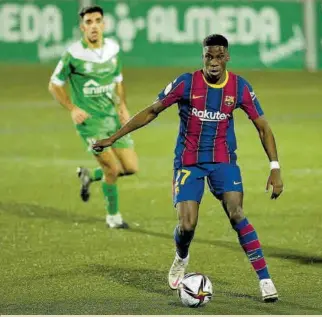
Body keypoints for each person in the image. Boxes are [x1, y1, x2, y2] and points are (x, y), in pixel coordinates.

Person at [92, 34, 283, 301]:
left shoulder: (239, 87)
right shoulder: (186, 83)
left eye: (219, 57)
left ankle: (265, 280)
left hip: (223, 161)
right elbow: (151, 111)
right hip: (188, 162)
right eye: (208, 56)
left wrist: (275, 167)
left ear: (227, 57)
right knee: (187, 225)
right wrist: (114, 138)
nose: (213, 62)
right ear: (202, 56)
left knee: (237, 213)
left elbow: (262, 126)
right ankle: (182, 256)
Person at [48, 5, 138, 229]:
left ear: (104, 24)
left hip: (113, 119)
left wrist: (122, 106)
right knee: (112, 169)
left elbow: (118, 80)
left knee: (130, 167)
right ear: (82, 27)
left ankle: (89, 175)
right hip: (90, 123)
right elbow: (54, 85)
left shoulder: (113, 50)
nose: (94, 25)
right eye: (89, 22)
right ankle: (113, 217)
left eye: (97, 20)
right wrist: (72, 108)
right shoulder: (73, 55)